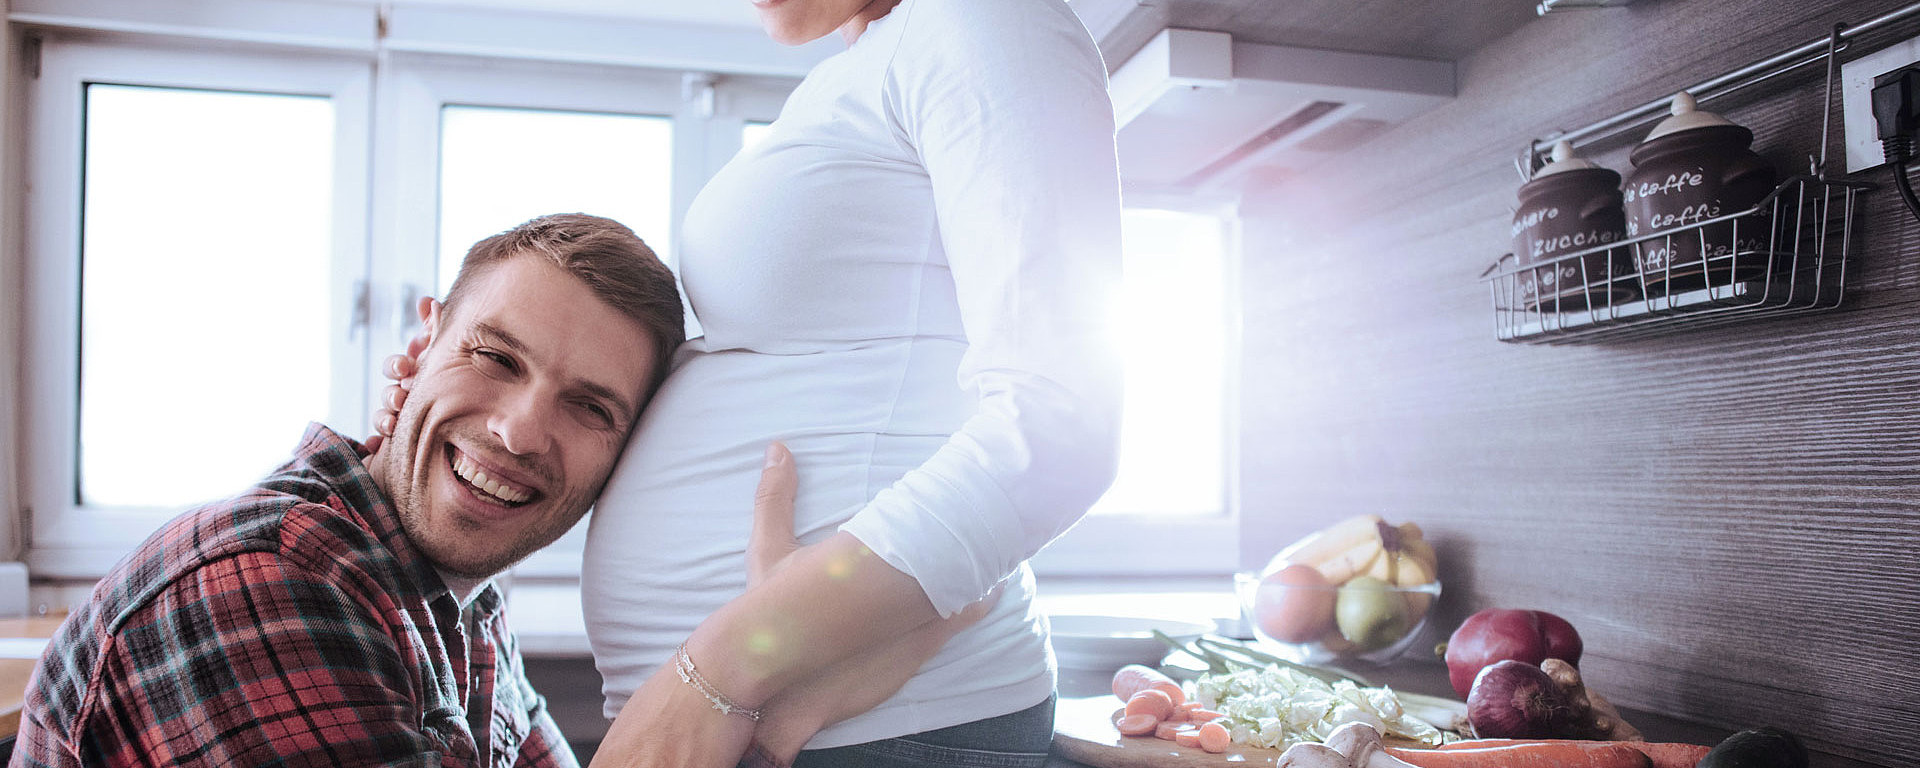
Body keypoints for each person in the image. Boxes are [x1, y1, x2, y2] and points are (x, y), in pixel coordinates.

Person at [379, 0, 1124, 765]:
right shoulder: (866, 69)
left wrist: (718, 666)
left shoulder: (983, 20)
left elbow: (1066, 421)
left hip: (864, 727)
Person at [14, 214, 948, 768]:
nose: (519, 429)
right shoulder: (262, 585)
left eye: (591, 407)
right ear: (422, 346)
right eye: (495, 357)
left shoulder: (461, 608)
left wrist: (788, 701)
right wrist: (739, 669)